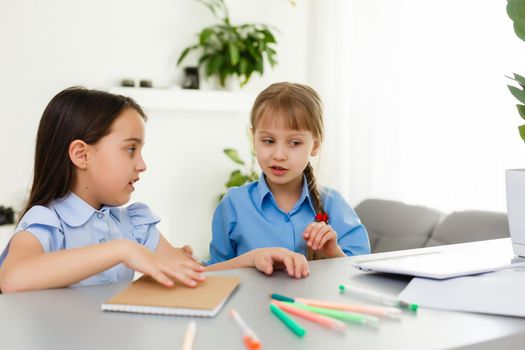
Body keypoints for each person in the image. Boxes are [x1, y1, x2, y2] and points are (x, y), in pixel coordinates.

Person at [0, 87, 205, 293]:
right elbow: (12, 279)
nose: (142, 165)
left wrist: (232, 263)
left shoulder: (135, 224)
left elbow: (195, 277)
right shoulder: (48, 222)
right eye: (131, 149)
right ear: (82, 155)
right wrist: (122, 250)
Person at [206, 82, 370, 278]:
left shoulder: (334, 205)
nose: (279, 154)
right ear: (254, 140)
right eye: (268, 141)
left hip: (313, 309)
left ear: (315, 145)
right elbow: (215, 275)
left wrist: (332, 253)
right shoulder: (233, 205)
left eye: (295, 143)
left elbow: (361, 275)